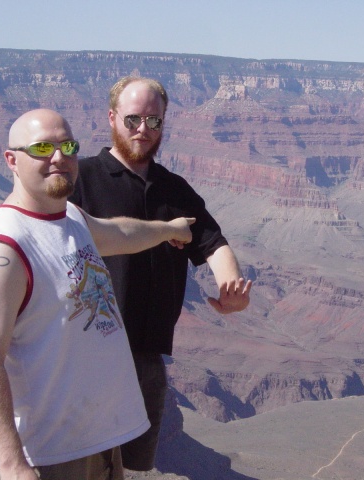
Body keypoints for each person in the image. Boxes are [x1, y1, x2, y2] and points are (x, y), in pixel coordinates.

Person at [0, 109, 197, 480]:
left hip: (98, 448)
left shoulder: (71, 217)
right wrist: (12, 464)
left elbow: (119, 233)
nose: (59, 157)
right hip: (47, 458)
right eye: (42, 148)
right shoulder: (2, 247)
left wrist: (168, 229)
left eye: (68, 147)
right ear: (11, 159)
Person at [70, 76, 252, 471]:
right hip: (85, 356)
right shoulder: (81, 180)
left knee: (131, 468)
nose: (143, 129)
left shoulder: (175, 189)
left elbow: (212, 243)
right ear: (112, 118)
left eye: (154, 121)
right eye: (133, 119)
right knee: (83, 466)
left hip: (147, 357)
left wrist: (231, 286)